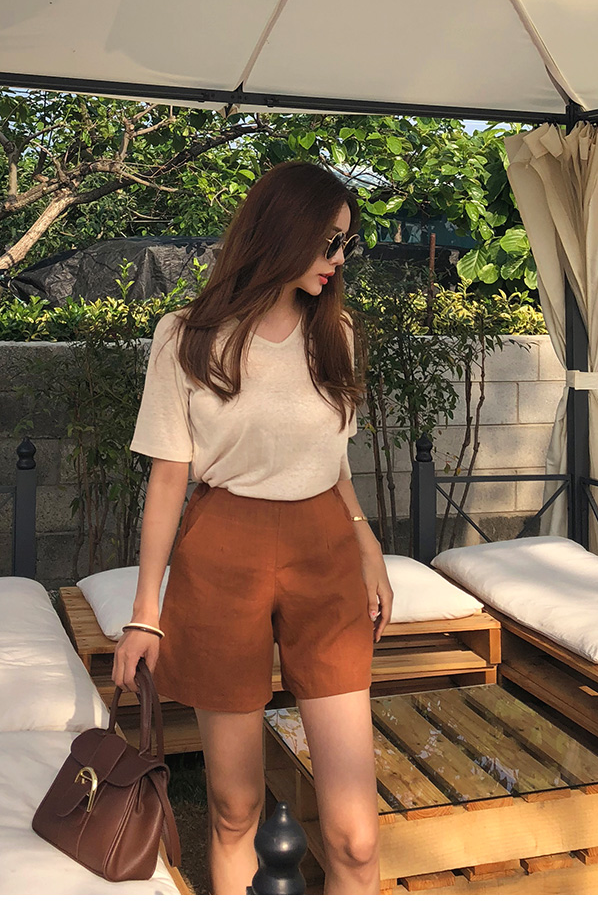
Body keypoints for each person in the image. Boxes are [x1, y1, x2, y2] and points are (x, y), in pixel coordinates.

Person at [112, 161, 391, 896]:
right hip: (222, 551)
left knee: (357, 837)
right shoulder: (186, 337)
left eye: (346, 245)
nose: (339, 260)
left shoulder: (337, 334)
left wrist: (366, 544)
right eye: (329, 243)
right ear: (282, 232)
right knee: (234, 808)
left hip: (325, 549)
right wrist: (145, 612)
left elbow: (334, 460)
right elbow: (168, 478)